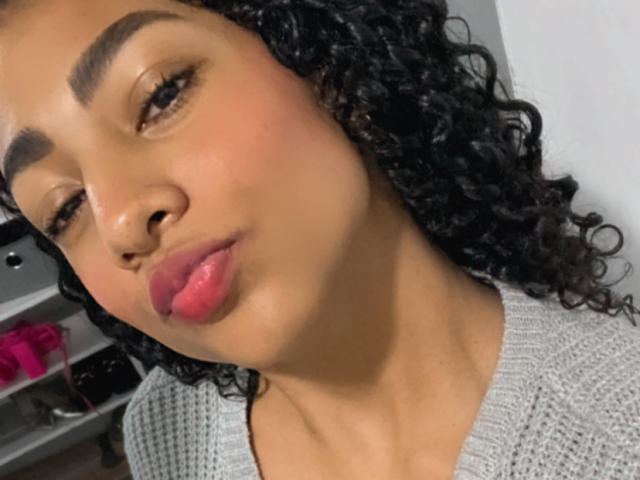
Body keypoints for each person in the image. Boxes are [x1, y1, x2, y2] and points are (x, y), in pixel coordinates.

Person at [1, 0, 639, 478]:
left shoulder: (621, 433)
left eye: (160, 96)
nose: (117, 222)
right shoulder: (167, 426)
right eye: (64, 209)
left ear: (322, 60)